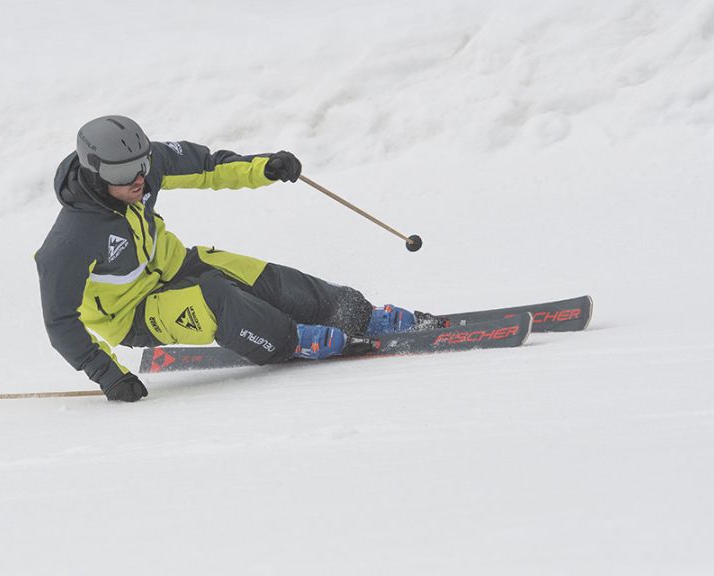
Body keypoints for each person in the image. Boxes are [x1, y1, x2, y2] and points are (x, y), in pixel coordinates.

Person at [36, 115, 445, 402]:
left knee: (264, 278)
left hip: (175, 264)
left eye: (142, 164)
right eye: (125, 173)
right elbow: (60, 322)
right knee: (217, 297)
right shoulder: (69, 241)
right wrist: (109, 375)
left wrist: (264, 167)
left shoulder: (140, 172)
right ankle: (292, 340)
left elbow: (209, 166)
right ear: (96, 172)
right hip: (133, 314)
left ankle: (357, 313)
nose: (140, 178)